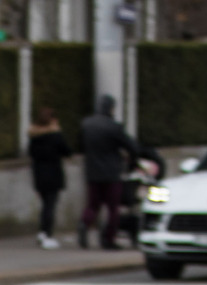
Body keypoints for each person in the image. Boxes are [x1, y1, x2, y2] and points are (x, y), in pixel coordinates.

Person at [77, 95, 141, 250]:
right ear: (111, 108)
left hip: (92, 172)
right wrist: (132, 162)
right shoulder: (114, 127)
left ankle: (84, 224)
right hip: (111, 173)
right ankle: (108, 238)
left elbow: (79, 145)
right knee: (113, 208)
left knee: (93, 204)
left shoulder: (86, 124)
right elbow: (132, 147)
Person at [26, 108, 71, 248]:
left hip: (39, 174)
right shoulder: (55, 136)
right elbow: (67, 151)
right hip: (53, 174)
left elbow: (31, 154)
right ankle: (48, 234)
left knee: (45, 205)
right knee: (50, 206)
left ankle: (42, 232)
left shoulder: (34, 137)